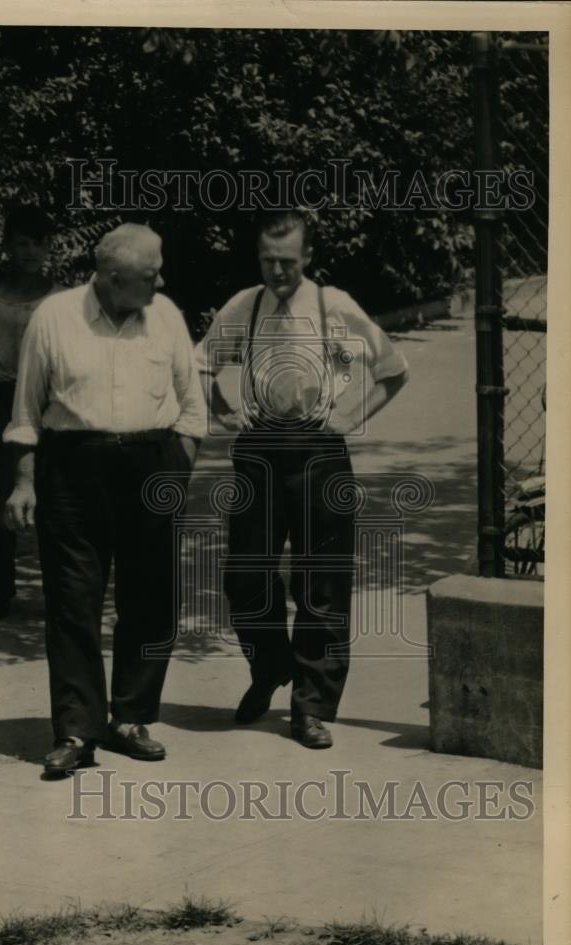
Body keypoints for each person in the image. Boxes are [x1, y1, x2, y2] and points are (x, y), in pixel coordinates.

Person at [195, 209, 409, 749]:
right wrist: (222, 410)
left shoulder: (332, 306)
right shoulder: (245, 306)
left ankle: (309, 706)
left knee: (321, 585)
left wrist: (347, 418)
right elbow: (197, 364)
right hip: (259, 453)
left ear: (308, 257)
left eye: (287, 261)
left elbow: (393, 370)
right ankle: (269, 668)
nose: (276, 271)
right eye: (267, 260)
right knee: (245, 578)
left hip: (319, 454)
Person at [4, 223, 207, 778]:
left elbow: (192, 406)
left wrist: (177, 471)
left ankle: (130, 719)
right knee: (73, 601)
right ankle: (76, 729)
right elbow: (25, 411)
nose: (160, 280)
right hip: (73, 468)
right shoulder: (55, 317)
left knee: (151, 597)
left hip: (151, 465)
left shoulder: (165, 315)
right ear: (113, 279)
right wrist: (25, 481)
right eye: (150, 274)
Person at [0, 205, 61, 626]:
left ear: (49, 247)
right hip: (5, 401)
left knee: (55, 500)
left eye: (38, 243)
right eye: (21, 243)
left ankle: (60, 594)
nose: (30, 252)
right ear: (6, 246)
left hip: (49, 402)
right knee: (3, 498)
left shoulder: (60, 298)